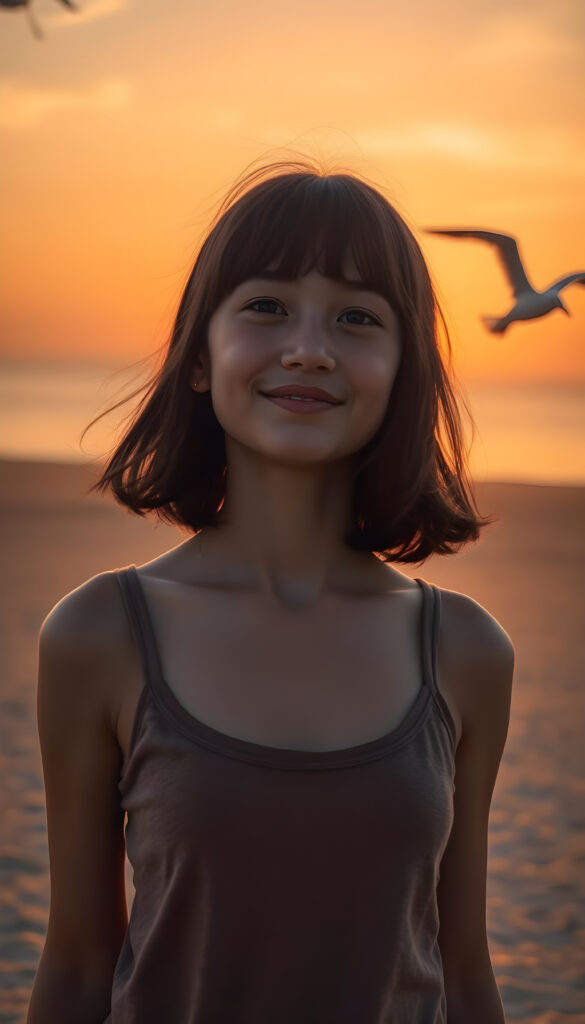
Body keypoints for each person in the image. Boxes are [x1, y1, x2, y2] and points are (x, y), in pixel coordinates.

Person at [27, 158, 514, 1024]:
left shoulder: (466, 651)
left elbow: (464, 969)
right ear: (199, 359)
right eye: (265, 306)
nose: (308, 348)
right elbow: (75, 964)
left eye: (357, 318)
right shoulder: (99, 634)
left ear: (404, 372)